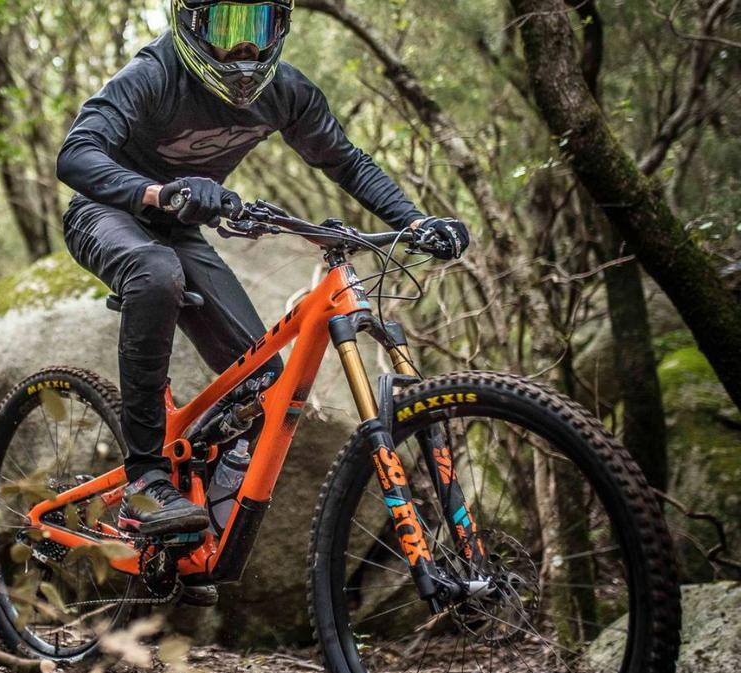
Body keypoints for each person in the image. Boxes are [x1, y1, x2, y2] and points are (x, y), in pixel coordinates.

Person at [55, 0, 469, 537]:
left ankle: (194, 536)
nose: (245, 48)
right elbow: (76, 155)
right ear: (192, 24)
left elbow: (344, 160)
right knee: (155, 272)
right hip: (105, 213)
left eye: (261, 26)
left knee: (263, 381)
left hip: (180, 230)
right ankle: (144, 480)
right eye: (228, 28)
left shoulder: (286, 93)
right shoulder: (155, 74)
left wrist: (413, 223)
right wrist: (159, 192)